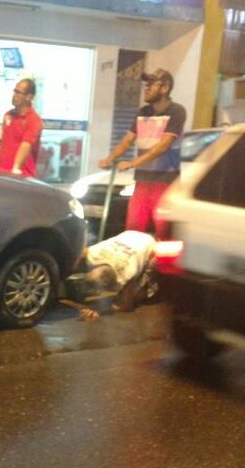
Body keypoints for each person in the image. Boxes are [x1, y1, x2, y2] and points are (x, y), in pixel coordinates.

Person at [97, 68, 186, 240]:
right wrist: (109, 159)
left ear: (165, 88)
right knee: (133, 229)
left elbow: (163, 146)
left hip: (165, 182)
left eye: (152, 84)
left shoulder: (176, 111)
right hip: (142, 181)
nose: (147, 88)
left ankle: (164, 267)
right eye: (147, 84)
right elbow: (127, 140)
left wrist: (133, 163)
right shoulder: (143, 112)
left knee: (165, 233)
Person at [75, 230, 157, 320]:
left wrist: (99, 310)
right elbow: (79, 255)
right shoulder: (94, 254)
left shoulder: (127, 271)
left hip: (151, 245)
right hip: (129, 235)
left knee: (139, 295)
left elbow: (126, 306)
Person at [0, 78, 43, 177]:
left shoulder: (34, 121)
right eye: (14, 91)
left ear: (29, 97)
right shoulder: (8, 115)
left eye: (18, 92)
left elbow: (25, 147)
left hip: (20, 177)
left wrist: (15, 168)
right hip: (1, 173)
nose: (14, 95)